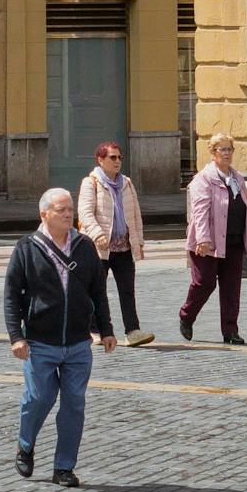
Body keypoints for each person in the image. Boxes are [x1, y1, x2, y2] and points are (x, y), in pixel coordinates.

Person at [4, 185, 115, 487]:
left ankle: (64, 467)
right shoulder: (27, 247)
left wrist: (106, 330)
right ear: (45, 214)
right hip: (40, 341)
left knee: (74, 404)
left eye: (70, 209)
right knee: (39, 398)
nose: (68, 215)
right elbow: (12, 295)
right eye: (61, 210)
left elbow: (98, 292)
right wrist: (17, 336)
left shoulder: (85, 246)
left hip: (78, 343)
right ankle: (25, 444)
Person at [180, 131, 247, 346]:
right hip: (209, 243)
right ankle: (186, 315)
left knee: (232, 287)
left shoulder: (236, 178)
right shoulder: (203, 180)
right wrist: (203, 239)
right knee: (204, 282)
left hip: (233, 241)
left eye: (229, 149)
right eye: (222, 149)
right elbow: (200, 212)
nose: (227, 153)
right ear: (212, 153)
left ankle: (230, 331)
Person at [77, 142, 153, 346]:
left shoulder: (126, 183)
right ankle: (94, 330)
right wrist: (97, 234)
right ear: (100, 160)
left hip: (124, 247)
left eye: (119, 157)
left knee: (127, 290)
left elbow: (135, 213)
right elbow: (85, 213)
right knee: (96, 291)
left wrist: (139, 240)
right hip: (99, 249)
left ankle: (132, 330)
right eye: (113, 158)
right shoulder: (90, 183)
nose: (117, 161)